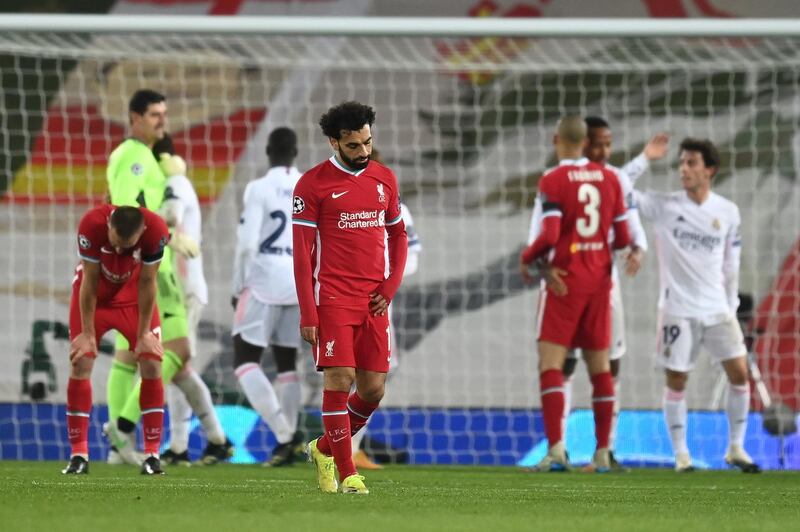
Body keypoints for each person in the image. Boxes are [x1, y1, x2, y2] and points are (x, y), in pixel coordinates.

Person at [104, 89, 232, 466]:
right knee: (176, 351)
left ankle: (121, 447)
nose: (162, 120)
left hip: (147, 262)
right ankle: (122, 428)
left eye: (164, 113)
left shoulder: (140, 158)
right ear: (135, 118)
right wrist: (170, 238)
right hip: (153, 266)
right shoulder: (136, 157)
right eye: (155, 114)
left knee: (132, 353)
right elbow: (128, 213)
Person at [293, 101, 408, 494]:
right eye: (354, 146)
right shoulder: (312, 185)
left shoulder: (384, 179)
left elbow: (399, 235)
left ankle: (324, 448)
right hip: (334, 298)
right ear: (334, 141)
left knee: (374, 389)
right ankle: (348, 474)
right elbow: (302, 253)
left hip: (374, 300)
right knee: (340, 379)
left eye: (367, 143)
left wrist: (389, 288)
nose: (363, 153)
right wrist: (308, 312)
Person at [632, 138, 760, 473]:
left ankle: (736, 448)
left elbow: (731, 263)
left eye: (691, 163)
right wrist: (645, 158)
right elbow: (618, 188)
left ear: (710, 170)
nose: (683, 170)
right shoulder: (663, 205)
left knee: (740, 374)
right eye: (681, 163)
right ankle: (681, 455)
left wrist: (731, 305)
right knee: (677, 380)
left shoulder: (727, 211)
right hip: (678, 310)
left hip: (718, 310)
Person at [553, 118, 668, 472]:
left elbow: (626, 200)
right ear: (581, 144)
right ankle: (560, 449)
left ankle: (607, 448)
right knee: (566, 364)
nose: (603, 151)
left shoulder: (613, 178)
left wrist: (638, 247)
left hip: (606, 284)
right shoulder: (562, 178)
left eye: (607, 144)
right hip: (569, 284)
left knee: (610, 363)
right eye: (596, 144)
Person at [519, 116, 631, 473]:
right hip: (600, 283)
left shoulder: (553, 179)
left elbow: (550, 235)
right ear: (585, 142)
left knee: (551, 364)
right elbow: (624, 238)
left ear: (557, 139)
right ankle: (601, 453)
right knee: (600, 368)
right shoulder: (611, 178)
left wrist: (527, 258)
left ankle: (556, 451)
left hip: (563, 282)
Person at [63, 205, 169, 475]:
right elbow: (89, 279)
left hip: (133, 300)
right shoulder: (91, 225)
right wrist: (87, 334)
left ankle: (152, 455)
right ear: (109, 227)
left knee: (152, 363)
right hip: (94, 300)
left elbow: (148, 282)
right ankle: (79, 455)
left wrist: (144, 333)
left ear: (142, 232)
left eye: (128, 245)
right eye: (116, 243)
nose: (121, 250)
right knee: (81, 362)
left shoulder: (157, 231)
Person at [152, 134, 230, 466]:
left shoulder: (176, 182)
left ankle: (197, 443)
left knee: (174, 364)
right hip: (175, 286)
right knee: (179, 368)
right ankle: (208, 441)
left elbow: (170, 215)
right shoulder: (173, 180)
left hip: (183, 287)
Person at [231, 127, 304, 466]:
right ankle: (288, 439)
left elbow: (246, 244)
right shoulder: (309, 186)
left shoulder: (258, 188)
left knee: (245, 360)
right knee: (288, 363)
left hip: (263, 278)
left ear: (268, 151)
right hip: (299, 279)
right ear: (296, 152)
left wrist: (237, 287)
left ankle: (285, 435)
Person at [349, 147, 422, 471]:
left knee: (377, 375)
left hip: (378, 301)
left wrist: (385, 280)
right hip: (342, 296)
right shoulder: (340, 205)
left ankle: (348, 446)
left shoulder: (397, 209)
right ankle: (341, 447)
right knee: (344, 372)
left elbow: (414, 256)